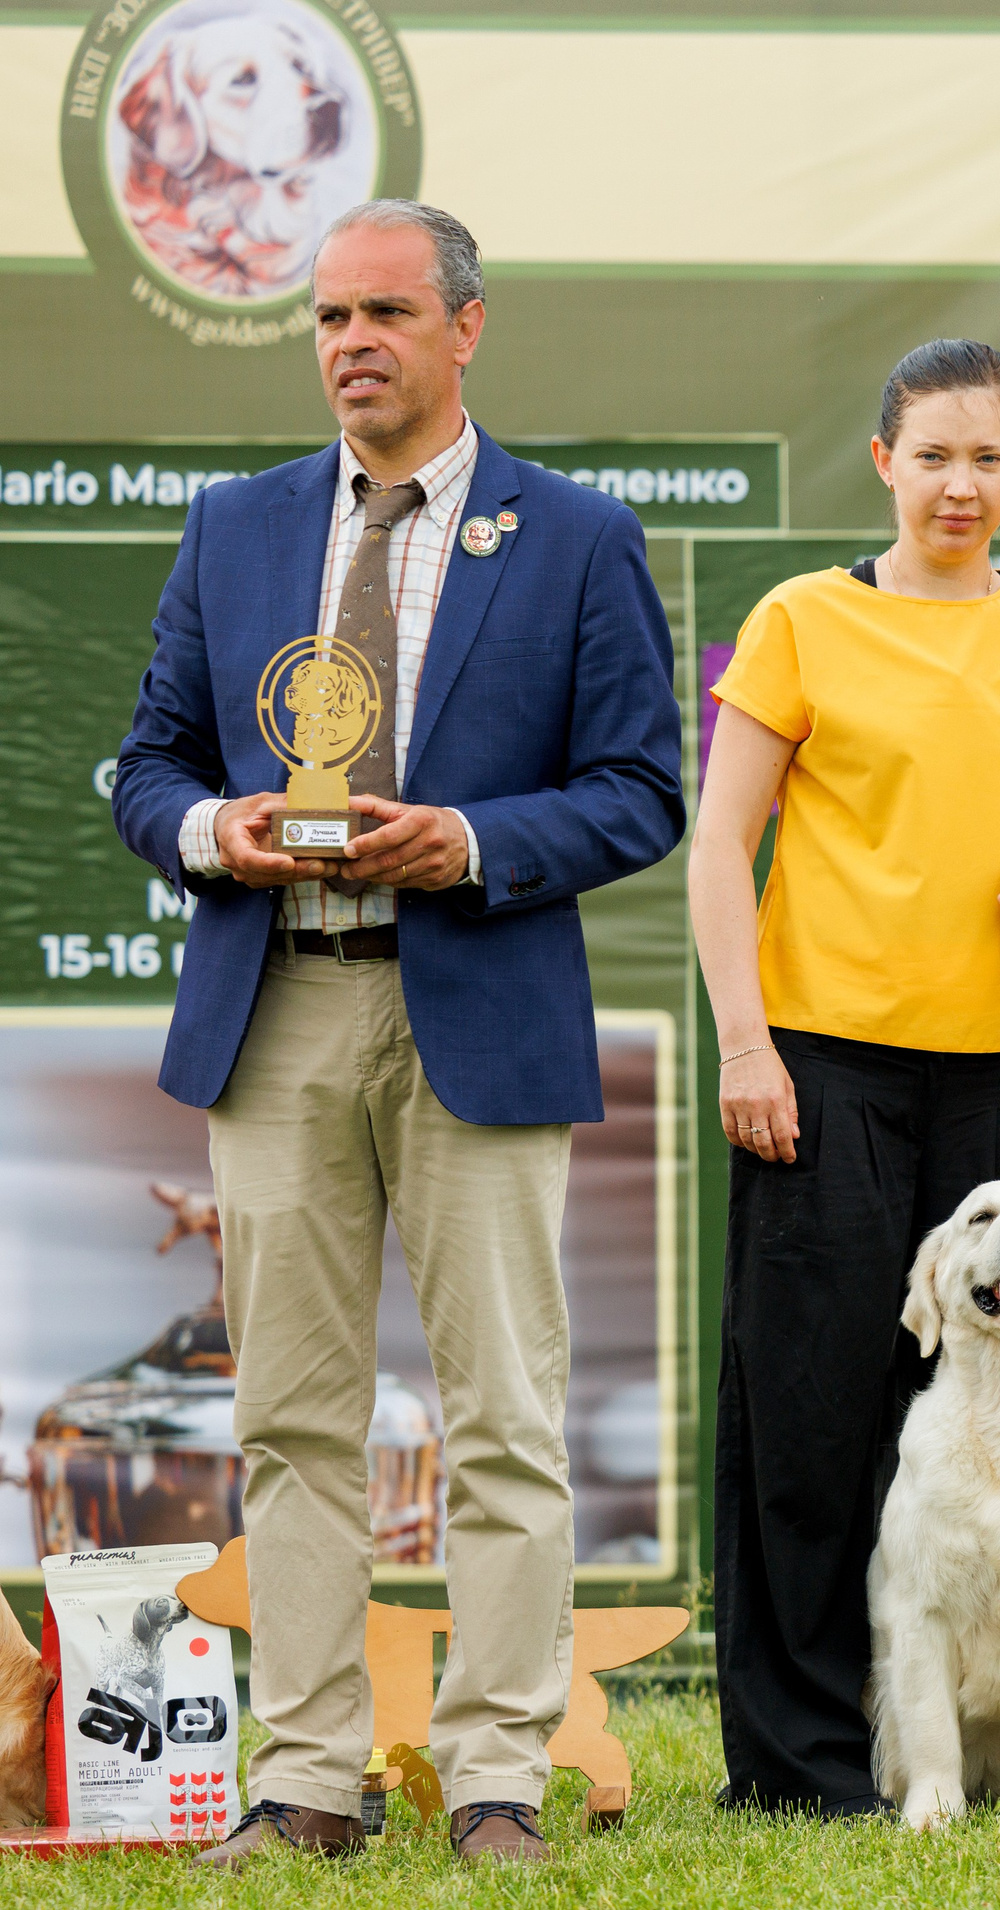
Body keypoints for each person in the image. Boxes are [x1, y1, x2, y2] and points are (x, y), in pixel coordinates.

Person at [112, 200, 685, 1866]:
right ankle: (307, 1777)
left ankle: (496, 1767)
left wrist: (478, 843)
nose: (350, 341)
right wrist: (213, 832)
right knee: (290, 1412)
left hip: (477, 1004)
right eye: (327, 317)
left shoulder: (574, 534)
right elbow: (146, 766)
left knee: (504, 1409)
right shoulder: (234, 528)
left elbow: (643, 788)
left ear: (465, 326)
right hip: (273, 1004)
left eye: (383, 311)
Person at [691, 340, 1000, 1817]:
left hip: (993, 1071)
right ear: (883, 460)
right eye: (931, 454)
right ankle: (801, 1761)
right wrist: (748, 1045)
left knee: (990, 1408)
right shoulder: (804, 619)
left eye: (985, 456)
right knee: (810, 1411)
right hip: (818, 1065)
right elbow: (716, 849)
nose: (958, 482)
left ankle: (971, 1748)